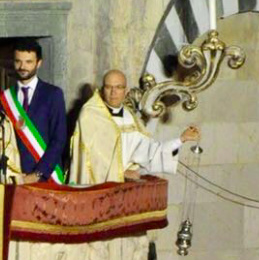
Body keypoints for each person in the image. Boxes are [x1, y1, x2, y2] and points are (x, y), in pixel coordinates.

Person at [69, 69, 201, 185]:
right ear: (103, 90)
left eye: (118, 87)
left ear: (125, 91)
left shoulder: (131, 118)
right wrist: (121, 173)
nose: (113, 92)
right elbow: (92, 157)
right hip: (95, 187)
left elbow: (150, 153)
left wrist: (181, 139)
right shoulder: (90, 114)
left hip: (123, 189)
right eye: (109, 87)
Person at [0, 38, 67, 184]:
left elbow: (58, 139)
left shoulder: (53, 94)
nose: (22, 67)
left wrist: (37, 174)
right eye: (18, 61)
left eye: (28, 62)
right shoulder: (4, 99)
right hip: (14, 177)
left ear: (39, 63)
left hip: (46, 176)